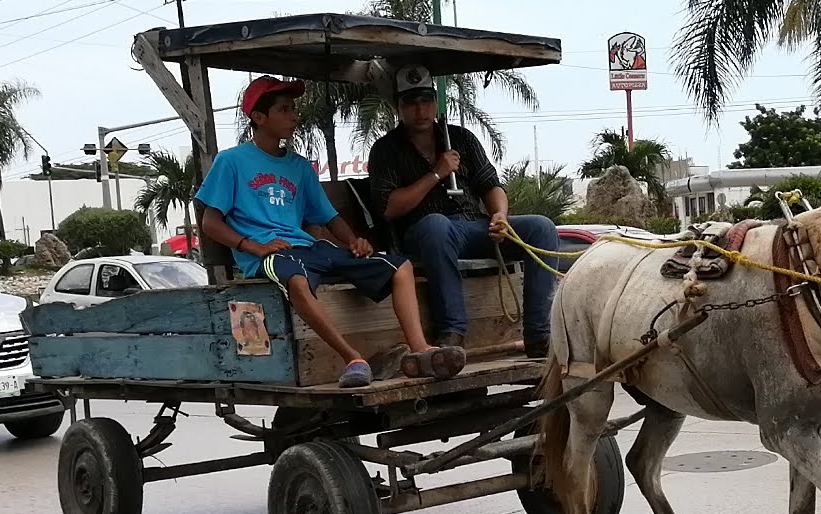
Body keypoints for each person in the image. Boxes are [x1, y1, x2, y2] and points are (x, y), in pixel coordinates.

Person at [196, 75, 466, 388]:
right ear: (258, 117)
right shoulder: (230, 162)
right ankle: (353, 358)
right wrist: (252, 247)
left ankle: (420, 349)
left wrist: (355, 241)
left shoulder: (298, 166)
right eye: (284, 109)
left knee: (400, 267)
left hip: (310, 248)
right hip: (271, 254)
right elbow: (210, 223)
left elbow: (328, 216)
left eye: (293, 109)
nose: (294, 115)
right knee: (297, 280)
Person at [367, 66, 564, 357]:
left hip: (473, 225)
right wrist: (436, 173)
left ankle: (539, 335)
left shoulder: (461, 138)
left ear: (435, 103)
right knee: (436, 225)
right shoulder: (385, 149)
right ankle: (452, 332)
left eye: (425, 101)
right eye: (411, 103)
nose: (420, 110)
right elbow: (388, 208)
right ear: (399, 107)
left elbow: (491, 185)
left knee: (542, 227)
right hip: (424, 233)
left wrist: (500, 216)